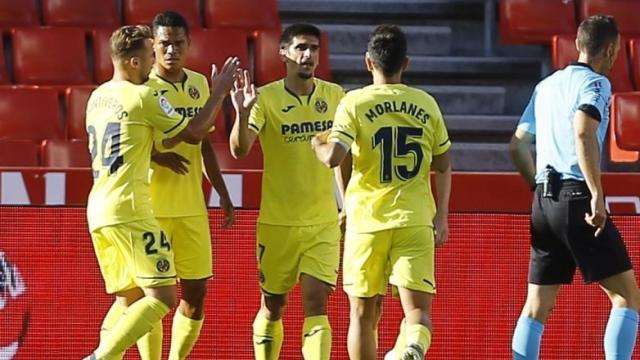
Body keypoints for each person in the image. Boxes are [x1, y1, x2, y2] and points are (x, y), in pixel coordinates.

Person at [84, 25, 240, 359]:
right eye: (151, 52)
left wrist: (155, 152)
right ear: (137, 62)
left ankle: (101, 352)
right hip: (132, 207)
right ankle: (101, 357)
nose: (160, 56)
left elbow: (126, 140)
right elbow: (196, 132)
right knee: (162, 297)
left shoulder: (97, 96)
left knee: (128, 299)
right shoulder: (144, 95)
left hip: (99, 207)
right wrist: (220, 93)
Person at [312, 24, 452, 360]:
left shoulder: (354, 102)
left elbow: (335, 157)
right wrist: (442, 215)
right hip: (415, 218)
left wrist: (317, 144)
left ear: (368, 62)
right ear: (406, 63)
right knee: (417, 312)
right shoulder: (426, 103)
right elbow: (443, 164)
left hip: (367, 221)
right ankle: (414, 347)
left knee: (362, 315)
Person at [509, 15, 639, 360]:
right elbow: (583, 131)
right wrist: (597, 193)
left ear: (579, 45)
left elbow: (518, 146)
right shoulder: (596, 84)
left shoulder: (546, 85)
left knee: (536, 307)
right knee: (627, 296)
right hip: (576, 195)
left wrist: (537, 187)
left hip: (544, 199)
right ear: (611, 50)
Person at [229, 23, 347, 360]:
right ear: (283, 53)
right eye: (300, 48)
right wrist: (241, 112)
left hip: (322, 221)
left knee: (316, 301)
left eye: (314, 48)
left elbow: (342, 156)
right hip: (278, 223)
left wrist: (347, 201)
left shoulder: (335, 96)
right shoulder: (264, 98)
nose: (308, 55)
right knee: (273, 304)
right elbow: (240, 149)